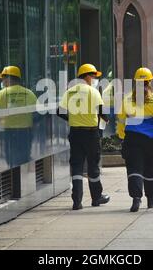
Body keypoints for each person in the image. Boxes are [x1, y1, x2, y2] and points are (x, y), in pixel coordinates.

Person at [117, 68, 153, 212]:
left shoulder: (127, 99)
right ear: (149, 82)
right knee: (150, 170)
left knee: (134, 169)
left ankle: (136, 199)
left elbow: (121, 121)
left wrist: (122, 137)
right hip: (150, 140)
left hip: (132, 140)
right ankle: (151, 200)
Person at [57, 64, 110, 210]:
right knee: (93, 165)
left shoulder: (70, 92)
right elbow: (102, 113)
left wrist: (72, 119)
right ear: (87, 76)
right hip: (91, 134)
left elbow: (60, 111)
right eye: (93, 76)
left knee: (77, 166)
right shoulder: (93, 92)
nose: (94, 79)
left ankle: (77, 201)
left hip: (75, 133)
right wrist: (107, 119)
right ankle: (96, 198)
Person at [0, 66, 38, 167]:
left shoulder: (2, 94)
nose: (3, 81)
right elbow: (38, 112)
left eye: (3, 79)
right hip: (26, 131)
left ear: (9, 79)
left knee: (11, 159)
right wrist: (30, 122)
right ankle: (23, 179)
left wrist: (2, 124)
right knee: (24, 157)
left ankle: (14, 179)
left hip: (9, 132)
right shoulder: (29, 93)